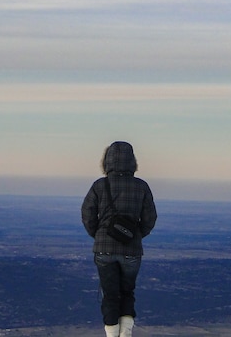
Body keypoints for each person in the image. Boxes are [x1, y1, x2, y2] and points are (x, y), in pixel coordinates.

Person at [81, 141, 157, 337]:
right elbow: (150, 219)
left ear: (107, 161)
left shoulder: (99, 186)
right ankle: (126, 334)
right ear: (133, 162)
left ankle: (112, 334)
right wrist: (135, 235)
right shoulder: (141, 187)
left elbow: (87, 214)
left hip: (104, 250)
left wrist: (98, 236)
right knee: (127, 293)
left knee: (110, 295)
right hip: (131, 250)